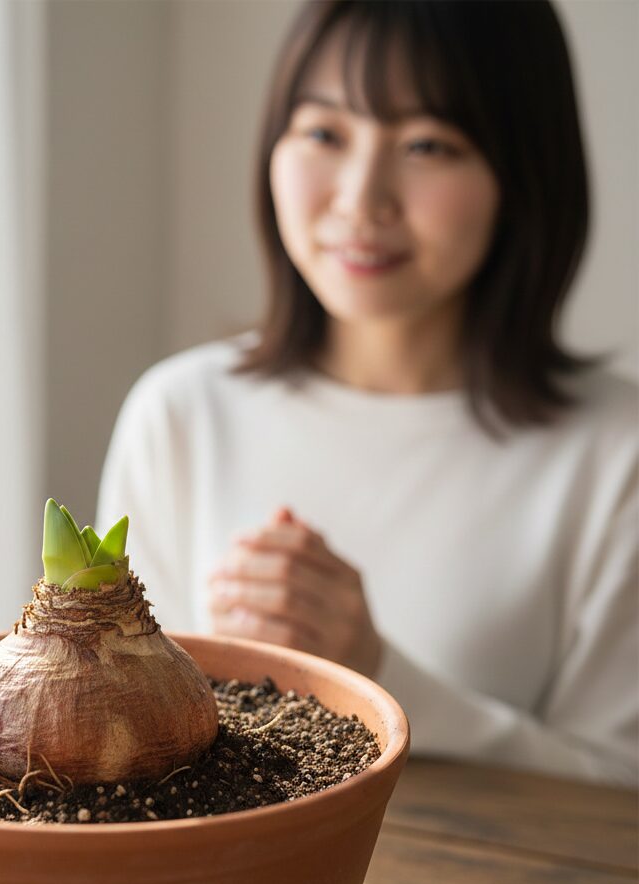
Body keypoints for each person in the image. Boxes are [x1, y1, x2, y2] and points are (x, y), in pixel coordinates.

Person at [96, 0, 638, 786]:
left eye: (427, 145)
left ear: (524, 174)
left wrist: (372, 676)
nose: (360, 199)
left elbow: (619, 792)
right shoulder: (182, 413)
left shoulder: (616, 451)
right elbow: (128, 751)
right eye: (324, 133)